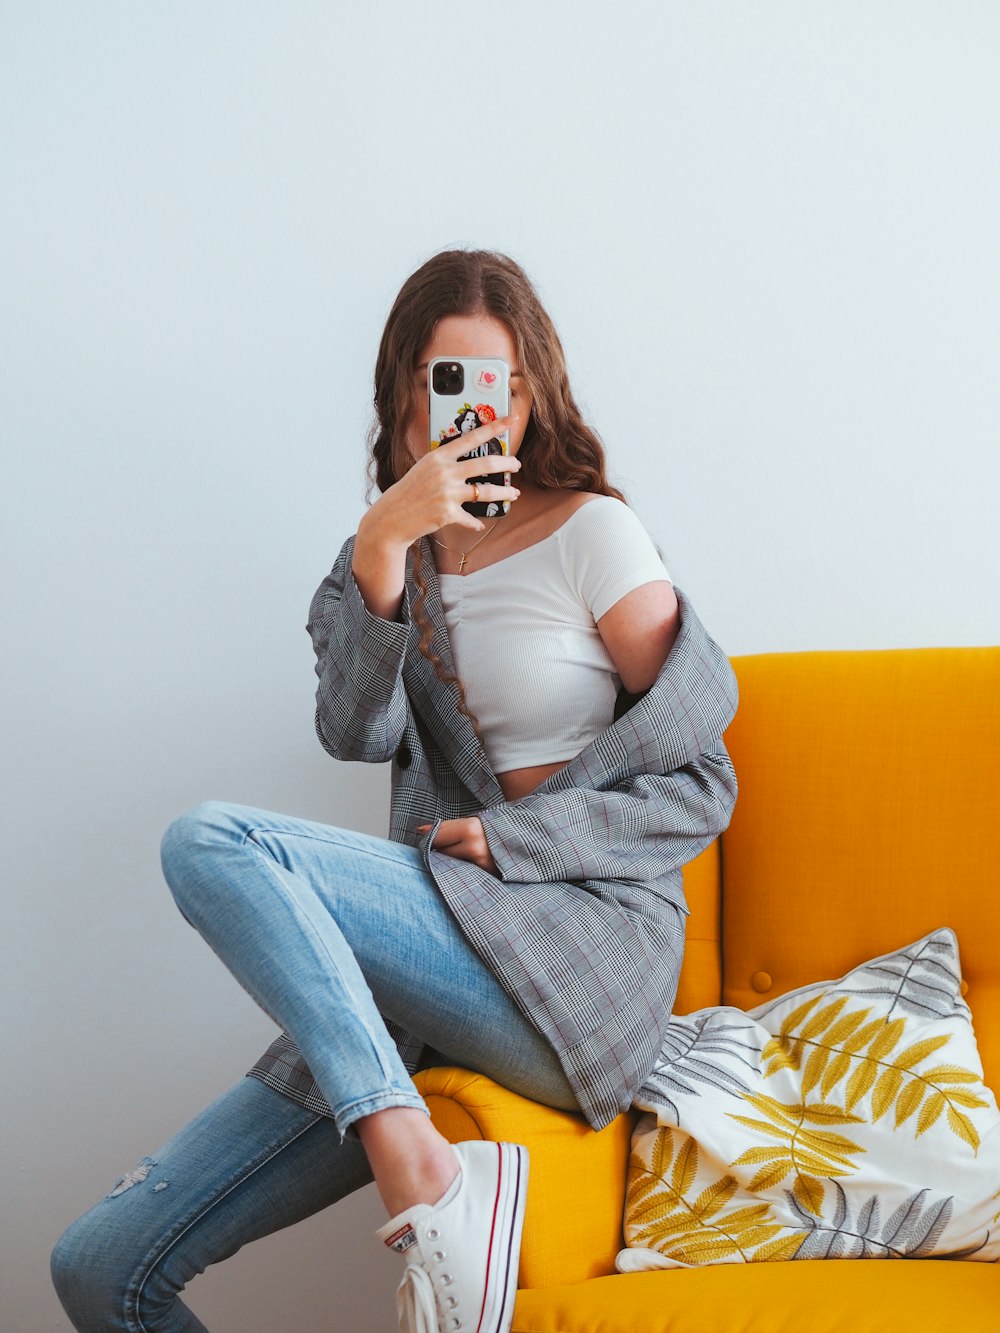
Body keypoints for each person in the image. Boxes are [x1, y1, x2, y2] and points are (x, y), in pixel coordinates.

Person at [51, 249, 738, 1333]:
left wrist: (521, 843)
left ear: (535, 391)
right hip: (438, 964)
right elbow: (353, 730)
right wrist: (383, 542)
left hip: (577, 956)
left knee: (214, 842)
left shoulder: (592, 535)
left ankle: (416, 1167)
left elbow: (702, 782)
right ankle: (406, 1142)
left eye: (502, 383)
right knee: (98, 1266)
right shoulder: (384, 554)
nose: (481, 411)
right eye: (448, 381)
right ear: (405, 398)